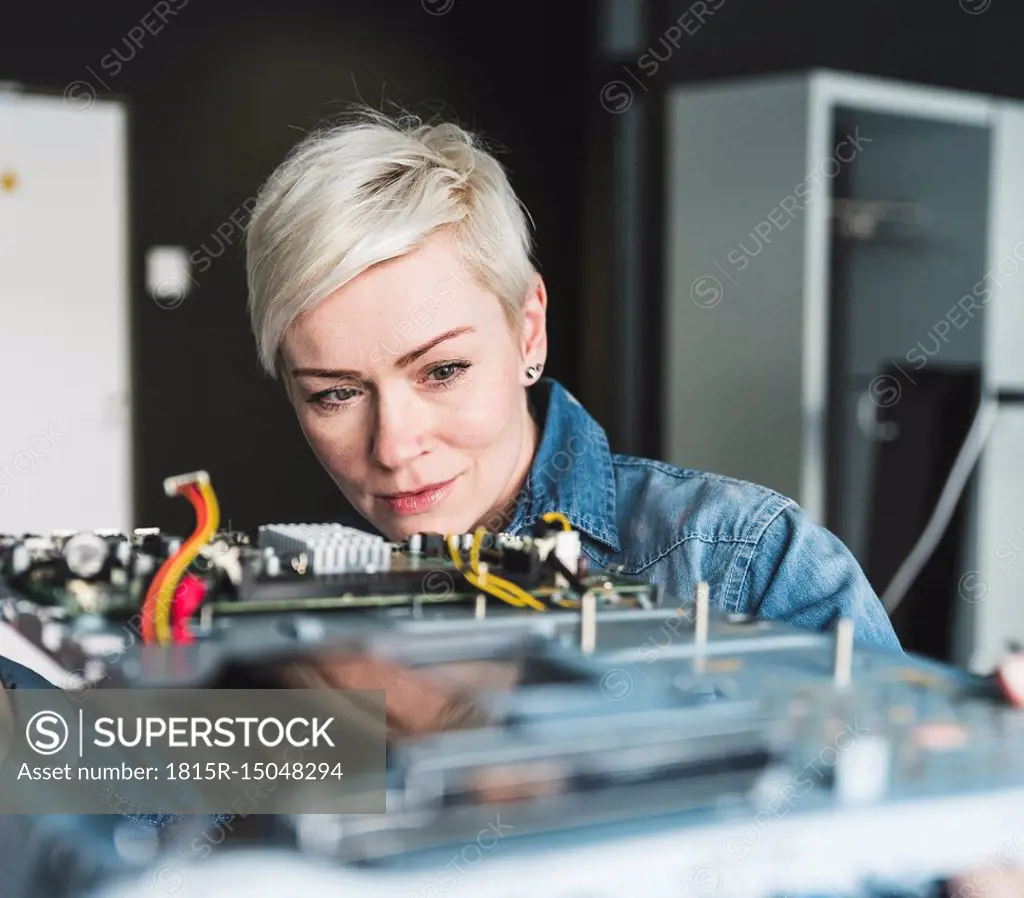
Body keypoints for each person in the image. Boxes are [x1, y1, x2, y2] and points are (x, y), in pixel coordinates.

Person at [244, 105, 901, 652]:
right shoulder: (284, 609)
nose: (392, 447)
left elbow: (918, 794)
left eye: (442, 370)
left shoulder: (746, 563)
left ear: (528, 330)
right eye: (335, 394)